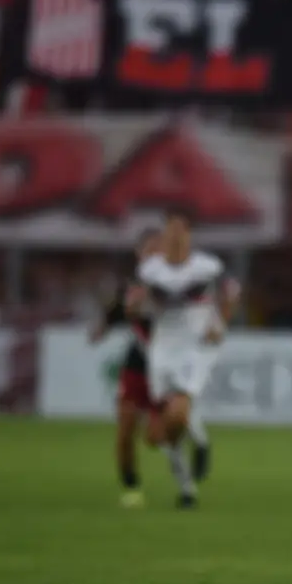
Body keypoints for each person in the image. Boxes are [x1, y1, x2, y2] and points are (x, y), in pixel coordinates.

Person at [131, 211, 238, 509]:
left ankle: (199, 446)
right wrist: (136, 307)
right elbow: (138, 307)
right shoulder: (150, 270)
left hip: (196, 347)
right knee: (169, 424)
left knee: (177, 411)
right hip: (162, 349)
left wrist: (222, 322)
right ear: (164, 238)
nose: (175, 238)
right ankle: (187, 485)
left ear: (189, 236)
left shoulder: (207, 267)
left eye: (181, 231)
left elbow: (231, 292)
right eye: (170, 232)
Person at [90, 230, 159, 509]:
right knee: (126, 427)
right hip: (137, 364)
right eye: (148, 250)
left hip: (169, 369)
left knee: (160, 433)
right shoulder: (131, 287)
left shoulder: (176, 285)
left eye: (158, 249)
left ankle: (186, 481)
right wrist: (103, 328)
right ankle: (131, 485)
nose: (154, 255)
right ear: (139, 254)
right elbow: (117, 312)